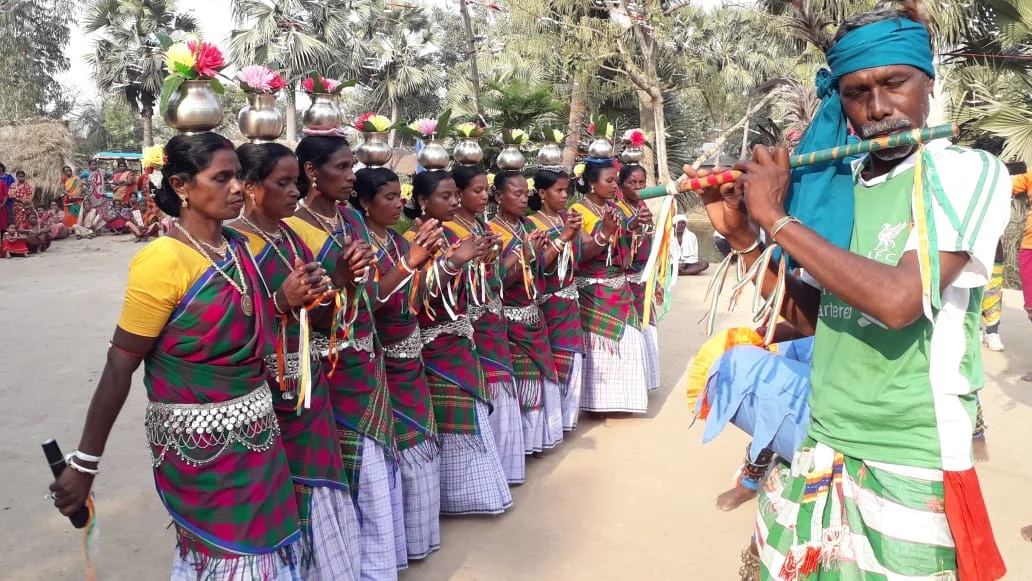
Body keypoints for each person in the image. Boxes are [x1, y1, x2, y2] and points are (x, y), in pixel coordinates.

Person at [692, 6, 1008, 578]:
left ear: (928, 84)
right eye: (857, 92)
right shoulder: (836, 190)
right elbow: (813, 319)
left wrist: (777, 218)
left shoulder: (965, 171)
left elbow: (897, 302)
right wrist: (742, 235)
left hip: (911, 452)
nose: (878, 109)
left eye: (895, 84)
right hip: (820, 436)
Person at [48, 132, 331, 580]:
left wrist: (286, 301)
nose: (237, 188)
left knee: (269, 554)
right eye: (221, 178)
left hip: (261, 437)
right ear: (181, 185)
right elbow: (121, 363)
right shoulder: (162, 260)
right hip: (201, 451)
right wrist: (85, 464)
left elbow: (250, 322)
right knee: (228, 556)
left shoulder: (238, 250)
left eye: (238, 176)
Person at [229, 143, 362, 581]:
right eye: (282, 183)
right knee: (280, 486)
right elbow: (231, 329)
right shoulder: (236, 245)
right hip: (263, 387)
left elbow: (319, 318)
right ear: (250, 188)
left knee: (317, 479)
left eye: (296, 183)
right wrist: (279, 301)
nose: (294, 192)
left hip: (306, 381)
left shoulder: (290, 237)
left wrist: (339, 280)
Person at [285, 135, 406, 580]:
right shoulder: (293, 228)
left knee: (374, 470)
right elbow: (298, 311)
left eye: (353, 165)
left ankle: (377, 564)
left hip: (365, 362)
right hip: (326, 369)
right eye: (341, 166)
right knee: (345, 471)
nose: (351, 175)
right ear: (312, 172)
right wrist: (340, 280)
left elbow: (370, 295)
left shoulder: (353, 219)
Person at [403, 170, 513, 515]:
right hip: (434, 343)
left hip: (460, 337)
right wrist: (455, 262)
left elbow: (476, 289)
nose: (454, 202)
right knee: (453, 417)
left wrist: (484, 260)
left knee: (468, 414)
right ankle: (455, 498)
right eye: (445, 197)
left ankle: (471, 496)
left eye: (455, 196)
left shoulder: (458, 233)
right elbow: (412, 297)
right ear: (422, 202)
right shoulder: (411, 239)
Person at [352, 166, 445, 562]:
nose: (398, 203)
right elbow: (368, 302)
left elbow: (422, 296)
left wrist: (447, 264)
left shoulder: (396, 240)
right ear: (364, 202)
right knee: (396, 454)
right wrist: (411, 262)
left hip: (411, 354)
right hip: (383, 361)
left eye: (398, 195)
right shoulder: (362, 245)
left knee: (418, 453)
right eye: (388, 197)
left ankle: (415, 539)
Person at [447, 165, 526, 484]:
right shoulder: (449, 230)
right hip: (471, 323)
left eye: (484, 190)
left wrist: (512, 254)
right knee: (487, 390)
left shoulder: (479, 225)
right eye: (475, 191)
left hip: (492, 319)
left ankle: (505, 468)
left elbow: (496, 279)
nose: (482, 197)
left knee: (500, 388)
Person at [490, 171, 564, 453]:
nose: (524, 200)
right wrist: (525, 255)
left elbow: (541, 269)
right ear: (498, 196)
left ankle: (534, 442)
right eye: (516, 194)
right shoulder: (492, 232)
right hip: (510, 320)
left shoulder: (528, 226)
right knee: (524, 381)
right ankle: (518, 448)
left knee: (538, 379)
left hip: (534, 313)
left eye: (525, 194)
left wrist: (548, 248)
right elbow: (496, 283)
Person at [570, 158, 650, 414]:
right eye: (610, 181)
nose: (615, 185)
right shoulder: (577, 211)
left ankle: (624, 401)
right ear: (592, 185)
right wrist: (605, 232)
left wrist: (635, 225)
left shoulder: (617, 207)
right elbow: (582, 252)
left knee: (630, 342)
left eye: (616, 180)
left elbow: (625, 237)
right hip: (594, 289)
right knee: (601, 348)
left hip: (619, 286)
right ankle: (598, 404)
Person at [527, 167, 586, 432]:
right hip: (548, 304)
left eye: (567, 190)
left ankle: (565, 422)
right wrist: (562, 239)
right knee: (553, 361)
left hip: (569, 303)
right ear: (541, 193)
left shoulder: (567, 218)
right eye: (558, 190)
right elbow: (535, 266)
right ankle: (551, 424)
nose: (564, 196)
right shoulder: (532, 224)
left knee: (572, 358)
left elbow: (581, 256)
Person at [617, 165, 662, 391]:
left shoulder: (643, 206)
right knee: (632, 334)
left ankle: (645, 382)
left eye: (641, 182)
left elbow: (653, 244)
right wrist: (633, 224)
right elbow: (616, 245)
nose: (637, 187)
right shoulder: (616, 210)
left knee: (648, 328)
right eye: (631, 183)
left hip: (644, 279)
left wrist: (657, 280)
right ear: (620, 185)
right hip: (625, 279)